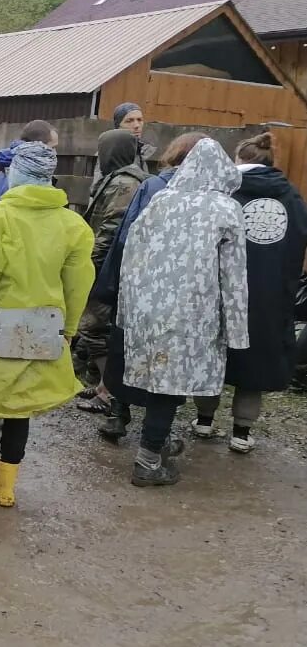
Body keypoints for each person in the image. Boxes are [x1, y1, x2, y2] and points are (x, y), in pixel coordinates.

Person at [0, 142, 93, 511]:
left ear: (17, 172)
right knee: (19, 407)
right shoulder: (73, 225)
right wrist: (70, 328)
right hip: (46, 328)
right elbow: (77, 284)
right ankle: (7, 488)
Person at [118, 139, 249, 487]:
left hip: (147, 305)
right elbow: (234, 276)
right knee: (171, 386)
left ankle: (156, 443)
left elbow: (130, 256)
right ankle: (147, 461)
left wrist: (126, 311)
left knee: (156, 377)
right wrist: (237, 331)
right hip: (194, 311)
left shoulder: (160, 199)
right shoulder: (226, 209)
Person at [192, 133, 307, 453]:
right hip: (269, 297)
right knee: (254, 364)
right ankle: (241, 433)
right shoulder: (293, 199)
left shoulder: (224, 191)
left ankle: (204, 420)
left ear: (238, 160)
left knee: (214, 356)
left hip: (220, 291)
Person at [92, 133, 208, 440]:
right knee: (169, 359)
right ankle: (158, 434)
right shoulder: (210, 197)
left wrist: (112, 281)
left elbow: (126, 237)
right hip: (182, 293)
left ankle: (118, 414)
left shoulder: (153, 186)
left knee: (126, 347)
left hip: (138, 285)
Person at [74, 130, 147, 409]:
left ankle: (109, 393)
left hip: (108, 267)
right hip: (113, 265)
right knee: (100, 328)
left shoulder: (124, 184)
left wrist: (90, 263)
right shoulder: (123, 179)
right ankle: (105, 386)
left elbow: (110, 226)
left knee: (94, 327)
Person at [0, 119, 60, 209]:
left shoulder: (5, 175)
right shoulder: (20, 180)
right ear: (37, 147)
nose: (55, 153)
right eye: (52, 147)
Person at [111, 102, 156, 170]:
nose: (137, 125)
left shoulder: (140, 152)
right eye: (129, 121)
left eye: (139, 120)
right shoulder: (110, 154)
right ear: (118, 126)